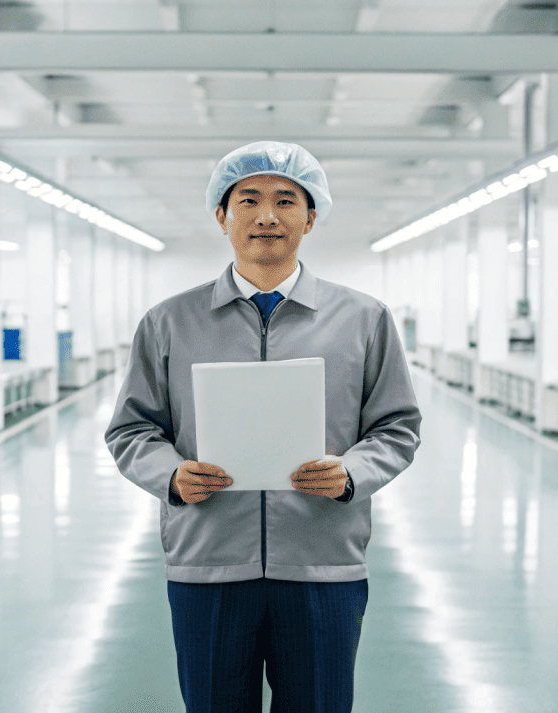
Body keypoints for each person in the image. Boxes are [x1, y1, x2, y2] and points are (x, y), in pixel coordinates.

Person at [104, 141, 421, 712]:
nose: (267, 216)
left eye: (286, 200)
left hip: (324, 562)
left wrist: (352, 472)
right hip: (209, 562)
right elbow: (132, 429)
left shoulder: (365, 319)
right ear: (222, 216)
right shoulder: (170, 322)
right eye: (248, 199)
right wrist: (171, 476)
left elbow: (397, 426)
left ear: (311, 216)